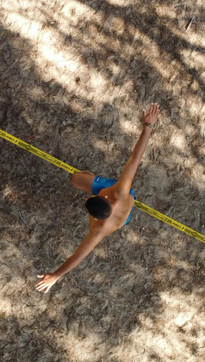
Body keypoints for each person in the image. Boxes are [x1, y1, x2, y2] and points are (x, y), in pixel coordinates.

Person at [36, 103, 160, 293]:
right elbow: (135, 158)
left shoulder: (100, 229)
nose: (87, 199)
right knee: (76, 179)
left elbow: (78, 256)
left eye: (89, 199)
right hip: (122, 203)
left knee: (78, 179)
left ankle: (94, 180)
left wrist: (56, 276)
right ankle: (92, 179)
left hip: (124, 208)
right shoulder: (119, 191)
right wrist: (148, 127)